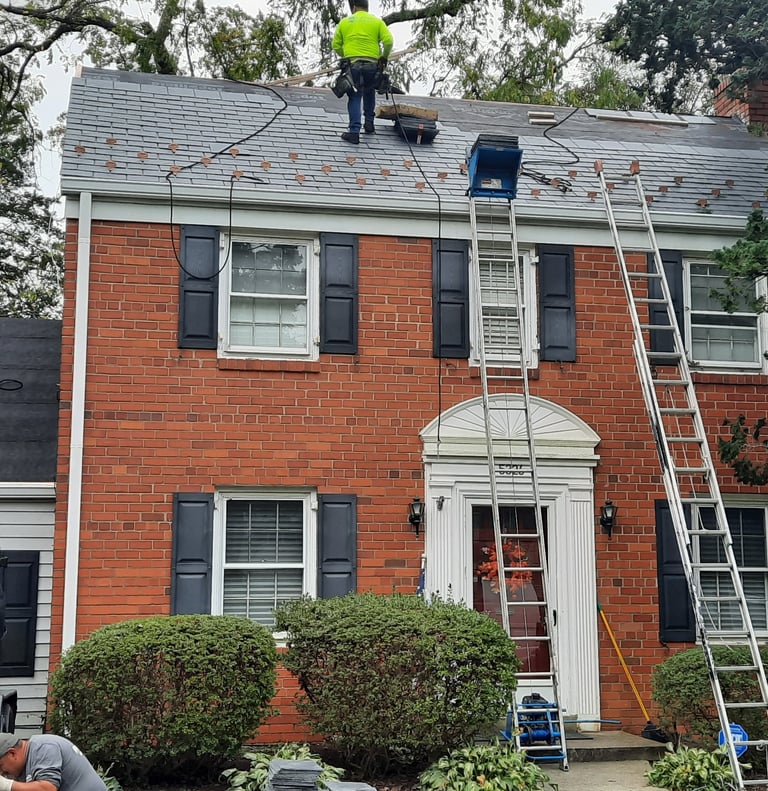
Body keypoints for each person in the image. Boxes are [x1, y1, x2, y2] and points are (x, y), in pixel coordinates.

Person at [332, 0, 393, 144]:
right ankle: (369, 124)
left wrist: (346, 55)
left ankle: (354, 132)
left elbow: (336, 45)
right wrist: (384, 56)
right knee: (369, 89)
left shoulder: (344, 23)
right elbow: (389, 41)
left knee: (354, 96)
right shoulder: (376, 22)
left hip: (353, 65)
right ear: (367, 8)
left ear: (353, 8)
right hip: (372, 64)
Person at [0, 734, 107, 791]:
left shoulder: (43, 747)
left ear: (12, 753)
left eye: (0, 766)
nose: (1, 773)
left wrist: (5, 785)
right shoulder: (24, 765)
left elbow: (48, 788)